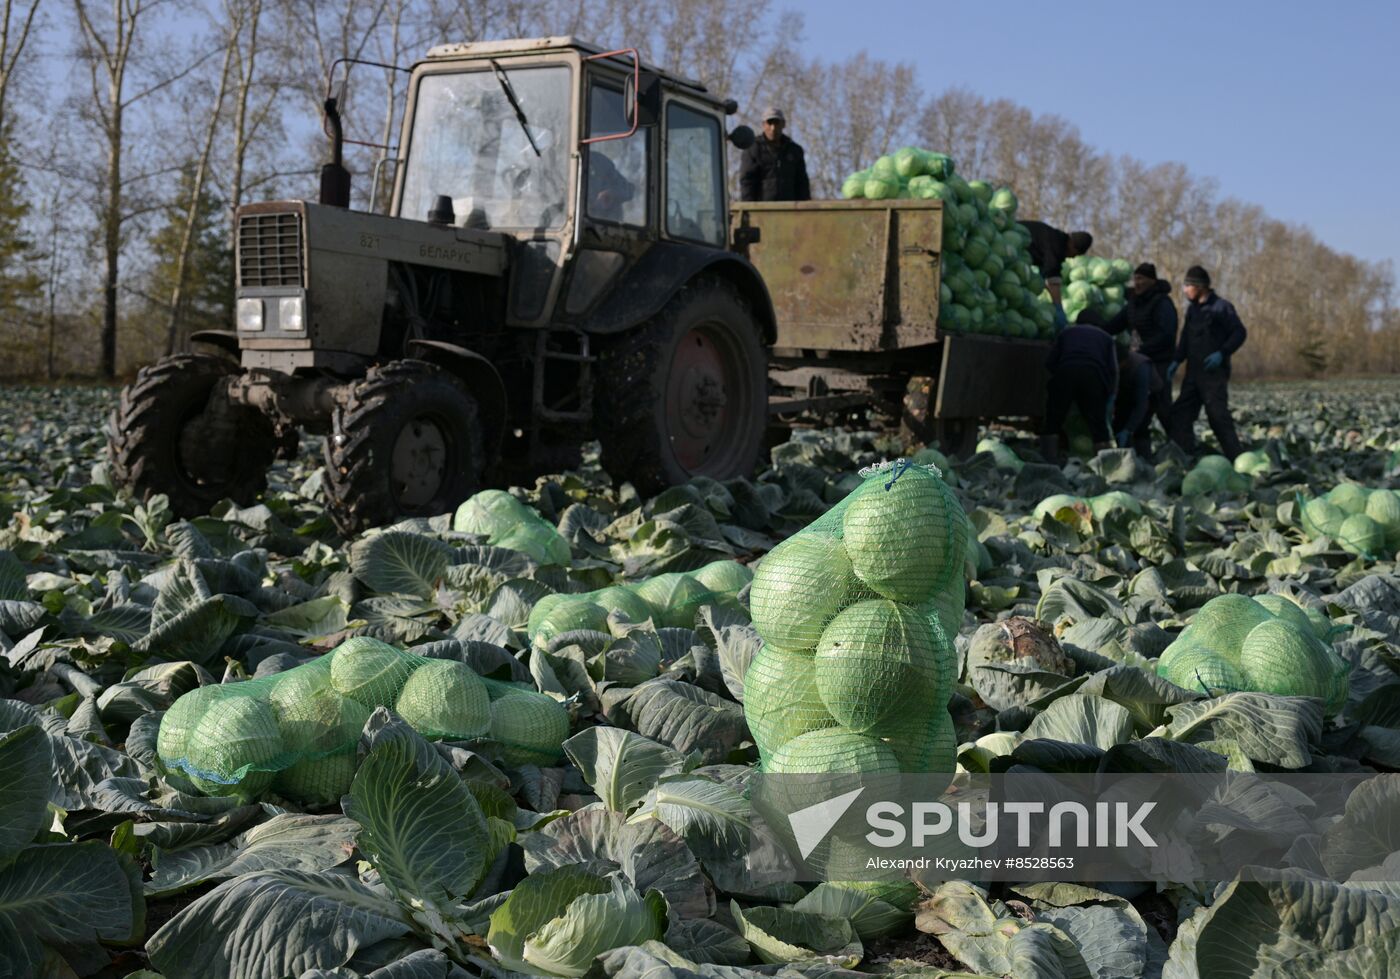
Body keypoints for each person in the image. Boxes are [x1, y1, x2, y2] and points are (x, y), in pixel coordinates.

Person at [1167, 265, 1247, 460]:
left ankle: (1236, 459)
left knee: (1218, 417)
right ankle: (1186, 455)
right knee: (1180, 415)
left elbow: (1239, 332)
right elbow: (1185, 338)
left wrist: (1222, 353)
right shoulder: (1193, 310)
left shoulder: (1222, 307)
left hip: (1213, 375)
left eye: (1187, 286)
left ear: (1200, 287)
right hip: (1193, 374)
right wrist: (1177, 361)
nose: (1185, 290)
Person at [1108, 262, 1178, 441]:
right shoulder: (1133, 303)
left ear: (1152, 281)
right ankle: (1141, 450)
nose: (1137, 283)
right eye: (1135, 278)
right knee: (1138, 409)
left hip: (1159, 361)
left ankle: (1181, 446)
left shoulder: (1162, 303)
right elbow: (1115, 325)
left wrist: (1142, 349)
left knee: (1163, 407)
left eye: (1141, 279)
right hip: (1139, 361)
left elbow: (1167, 334)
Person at [1040, 308, 1117, 464]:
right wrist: (1109, 395)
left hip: (1066, 371)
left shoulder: (1066, 333)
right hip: (1093, 375)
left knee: (1053, 418)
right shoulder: (1107, 338)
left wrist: (1061, 379)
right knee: (1098, 423)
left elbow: (1050, 362)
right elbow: (1113, 370)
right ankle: (1104, 463)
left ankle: (1048, 459)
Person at [739, 107, 811, 202]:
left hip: (790, 210)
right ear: (764, 125)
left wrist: (805, 209)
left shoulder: (795, 150)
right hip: (762, 211)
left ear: (783, 124)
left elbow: (802, 183)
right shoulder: (753, 149)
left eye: (776, 123)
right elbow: (747, 182)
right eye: (770, 123)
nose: (773, 128)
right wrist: (749, 209)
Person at [1017, 221, 1093, 305]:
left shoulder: (1056, 238)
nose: (1074, 257)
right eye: (1076, 253)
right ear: (1072, 245)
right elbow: (1053, 281)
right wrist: (1058, 306)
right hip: (1012, 241)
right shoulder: (1056, 247)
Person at [1112, 333, 1161, 457]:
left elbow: (1141, 404)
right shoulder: (1114, 365)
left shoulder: (1141, 367)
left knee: (1141, 426)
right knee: (1119, 423)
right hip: (1126, 393)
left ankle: (1145, 457)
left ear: (1123, 362)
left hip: (1151, 394)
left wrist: (1129, 429)